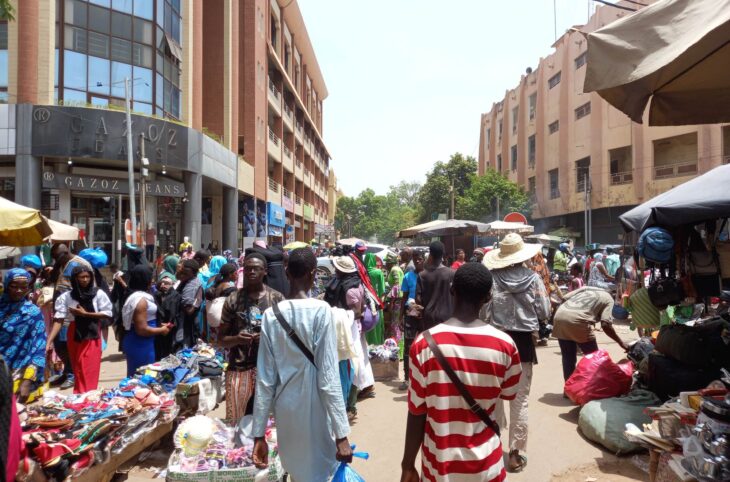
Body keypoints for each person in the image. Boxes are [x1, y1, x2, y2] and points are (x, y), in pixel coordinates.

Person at [400, 263, 522, 482]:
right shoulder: (505, 345)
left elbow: (416, 412)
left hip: (439, 468)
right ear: (488, 297)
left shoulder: (423, 345)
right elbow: (509, 393)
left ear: (451, 290)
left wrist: (407, 465)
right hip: (488, 468)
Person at [252, 248, 352, 481]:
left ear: (287, 273)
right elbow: (328, 377)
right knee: (319, 473)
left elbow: (265, 380)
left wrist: (259, 434)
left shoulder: (271, 315)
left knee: (297, 472)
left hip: (286, 411)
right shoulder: (322, 311)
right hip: (317, 409)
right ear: (313, 274)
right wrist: (342, 434)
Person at [483, 233, 550, 473]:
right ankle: (514, 454)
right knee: (519, 401)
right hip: (523, 345)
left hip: (496, 344)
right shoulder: (534, 279)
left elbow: (483, 313)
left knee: (495, 397)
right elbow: (544, 311)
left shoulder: (492, 279)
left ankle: (491, 446)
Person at [219, 254, 284, 422]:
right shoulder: (233, 299)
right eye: (248, 268)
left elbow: (286, 338)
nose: (252, 272)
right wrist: (237, 339)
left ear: (265, 272)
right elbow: (220, 339)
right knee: (237, 421)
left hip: (270, 369)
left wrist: (267, 339)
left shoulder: (277, 299)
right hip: (239, 368)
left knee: (271, 424)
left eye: (256, 268)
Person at [48, 265, 111, 393]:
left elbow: (107, 313)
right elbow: (59, 320)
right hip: (74, 333)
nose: (85, 280)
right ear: (75, 279)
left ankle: (88, 395)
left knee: (88, 366)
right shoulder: (66, 297)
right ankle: (80, 395)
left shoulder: (98, 293)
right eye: (81, 277)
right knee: (78, 367)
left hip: (92, 333)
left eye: (88, 276)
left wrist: (86, 314)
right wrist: (49, 341)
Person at [553, 287, 629, 381]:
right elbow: (605, 324)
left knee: (568, 357)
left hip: (559, 316)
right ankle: (595, 387)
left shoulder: (587, 288)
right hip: (579, 320)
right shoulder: (608, 298)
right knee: (594, 359)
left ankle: (569, 390)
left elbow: (564, 298)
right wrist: (621, 343)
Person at [0, 269, 47, 403]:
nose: (19, 291)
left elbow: (38, 347)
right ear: (7, 285)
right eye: (14, 286)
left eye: (24, 287)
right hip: (1, 366)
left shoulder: (32, 312)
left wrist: (27, 381)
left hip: (18, 371)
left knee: (11, 416)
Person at [121, 265, 171, 376]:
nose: (153, 281)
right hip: (140, 343)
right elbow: (142, 329)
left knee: (144, 375)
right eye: (151, 278)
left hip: (143, 342)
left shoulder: (136, 296)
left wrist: (158, 324)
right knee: (143, 377)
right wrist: (161, 330)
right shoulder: (141, 301)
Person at [399, 249, 425, 390]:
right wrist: (400, 316)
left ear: (424, 259)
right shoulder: (408, 276)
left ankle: (423, 377)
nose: (417, 261)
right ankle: (407, 379)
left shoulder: (428, 276)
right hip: (410, 313)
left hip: (424, 315)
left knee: (426, 345)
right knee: (408, 346)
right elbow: (404, 296)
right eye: (415, 258)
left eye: (420, 258)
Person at [416, 241, 454, 331]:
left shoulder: (422, 275)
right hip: (448, 317)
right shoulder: (452, 273)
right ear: (443, 255)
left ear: (430, 255)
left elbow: (418, 299)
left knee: (431, 344)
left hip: (429, 318)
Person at [176, 259, 203, 349]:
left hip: (186, 325)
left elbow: (189, 310)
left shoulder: (191, 285)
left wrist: (197, 301)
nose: (182, 275)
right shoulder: (188, 280)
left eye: (185, 273)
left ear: (193, 273)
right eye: (182, 272)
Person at [364, 253, 385, 345]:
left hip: (365, 301)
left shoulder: (362, 272)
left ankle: (366, 343)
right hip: (376, 301)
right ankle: (377, 344)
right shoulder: (378, 272)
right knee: (376, 323)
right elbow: (382, 290)